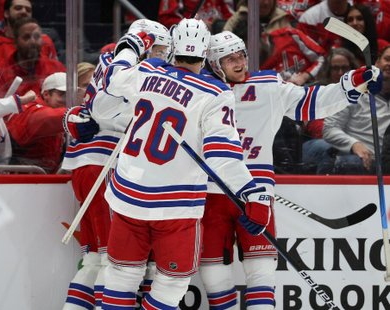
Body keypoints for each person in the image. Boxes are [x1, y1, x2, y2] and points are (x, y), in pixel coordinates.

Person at [98, 18, 272, 310]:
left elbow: (113, 79)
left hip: (127, 196)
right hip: (175, 206)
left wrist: (131, 45)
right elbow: (222, 156)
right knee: (172, 284)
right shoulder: (216, 93)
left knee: (120, 278)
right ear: (205, 52)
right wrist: (252, 193)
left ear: (173, 47)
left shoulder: (148, 70)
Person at [201, 31, 380, 309]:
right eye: (229, 59)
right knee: (213, 275)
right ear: (213, 63)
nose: (239, 64)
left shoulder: (267, 86)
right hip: (212, 192)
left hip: (256, 192)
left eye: (241, 56)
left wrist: (351, 84)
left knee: (261, 271)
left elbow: (312, 102)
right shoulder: (200, 90)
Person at [61, 19, 172, 310]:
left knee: (97, 257)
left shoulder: (110, 60)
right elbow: (110, 112)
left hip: (84, 164)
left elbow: (94, 110)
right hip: (107, 165)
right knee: (115, 258)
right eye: (158, 48)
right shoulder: (132, 70)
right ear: (144, 44)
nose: (163, 56)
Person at [323, 45, 390, 174]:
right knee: (349, 163)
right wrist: (354, 144)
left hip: (387, 164)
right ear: (376, 62)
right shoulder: (354, 92)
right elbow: (329, 128)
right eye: (387, 59)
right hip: (359, 161)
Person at [6, 72, 68, 173]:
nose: (66, 99)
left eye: (70, 95)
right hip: (22, 180)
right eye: (62, 94)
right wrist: (78, 111)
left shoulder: (57, 110)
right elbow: (45, 119)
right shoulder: (30, 109)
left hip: (44, 177)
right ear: (46, 94)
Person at [0, 17, 65, 97]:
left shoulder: (56, 68)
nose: (33, 42)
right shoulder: (0, 72)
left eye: (36, 37)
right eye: (26, 37)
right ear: (15, 42)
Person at [0, 0, 58, 69]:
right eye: (18, 8)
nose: (24, 12)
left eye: (28, 10)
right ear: (6, 13)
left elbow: (56, 72)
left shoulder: (45, 41)